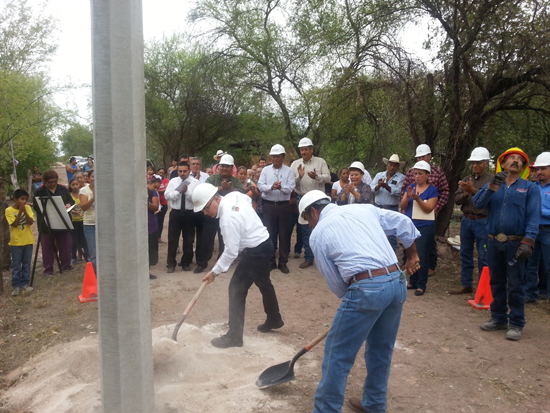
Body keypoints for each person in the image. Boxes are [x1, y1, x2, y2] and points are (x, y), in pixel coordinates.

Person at [298, 190, 420, 413]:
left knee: (337, 354)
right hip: (397, 283)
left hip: (367, 288)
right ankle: (374, 405)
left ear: (313, 212)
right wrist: (412, 255)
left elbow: (336, 284)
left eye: (307, 220)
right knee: (381, 350)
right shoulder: (362, 208)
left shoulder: (318, 234)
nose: (309, 225)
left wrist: (357, 302)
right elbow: (403, 221)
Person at [193, 183, 284, 348]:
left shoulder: (228, 219)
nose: (206, 214)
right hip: (265, 242)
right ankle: (274, 318)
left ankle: (234, 337)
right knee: (264, 283)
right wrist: (248, 223)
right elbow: (247, 201)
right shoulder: (232, 196)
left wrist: (214, 272)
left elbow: (231, 252)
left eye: (205, 209)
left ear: (214, 199)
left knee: (236, 289)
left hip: (256, 250)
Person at [473, 147, 539, 341]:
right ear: (502, 163)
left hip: (515, 243)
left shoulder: (530, 188)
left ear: (524, 166)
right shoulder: (495, 184)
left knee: (517, 284)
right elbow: (477, 203)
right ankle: (498, 318)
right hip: (493, 241)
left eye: (520, 159)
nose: (516, 161)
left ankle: (517, 323)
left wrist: (529, 241)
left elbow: (534, 217)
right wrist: (493, 185)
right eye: (512, 158)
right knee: (496, 281)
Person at [450, 147, 494, 294]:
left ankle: (484, 288)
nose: (475, 165)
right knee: (465, 253)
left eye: (479, 162)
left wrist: (473, 190)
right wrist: (465, 193)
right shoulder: (467, 178)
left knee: (484, 256)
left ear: (486, 163)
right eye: (473, 162)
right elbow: (456, 200)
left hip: (483, 221)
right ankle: (466, 284)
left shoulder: (492, 180)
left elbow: (492, 199)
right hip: (467, 220)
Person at [401, 144, 449, 276]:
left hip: (429, 212)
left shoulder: (438, 172)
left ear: (430, 156)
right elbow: (405, 189)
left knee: (428, 242)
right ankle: (409, 267)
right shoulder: (411, 172)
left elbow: (445, 191)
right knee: (410, 242)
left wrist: (436, 207)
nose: (421, 159)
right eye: (419, 157)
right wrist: (405, 206)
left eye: (423, 156)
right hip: (412, 214)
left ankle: (429, 268)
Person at [290, 137, 331, 269]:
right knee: (304, 228)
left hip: (318, 200)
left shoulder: (320, 162)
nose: (303, 152)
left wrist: (316, 177)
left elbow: (328, 178)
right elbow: (291, 183)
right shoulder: (295, 164)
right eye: (301, 149)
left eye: (306, 149)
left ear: (311, 149)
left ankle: (321, 256)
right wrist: (300, 177)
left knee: (320, 227)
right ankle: (308, 257)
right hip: (301, 198)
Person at [400, 161, 438, 296]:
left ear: (427, 175)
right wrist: (407, 196)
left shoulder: (432, 190)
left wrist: (417, 199)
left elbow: (429, 209)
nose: (417, 176)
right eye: (415, 174)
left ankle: (422, 284)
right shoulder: (410, 187)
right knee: (409, 253)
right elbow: (403, 206)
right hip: (410, 225)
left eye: (420, 174)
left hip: (425, 226)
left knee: (422, 254)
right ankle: (413, 280)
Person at [257, 144, 296, 274]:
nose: (276, 159)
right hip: (268, 205)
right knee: (270, 234)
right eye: (274, 156)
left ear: (283, 157)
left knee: (284, 234)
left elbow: (290, 188)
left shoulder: (289, 171)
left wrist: (280, 188)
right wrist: (271, 187)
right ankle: (270, 261)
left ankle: (283, 262)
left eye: (278, 156)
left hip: (283, 206)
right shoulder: (266, 170)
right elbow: (260, 186)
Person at [34, 170, 75, 275]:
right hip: (46, 223)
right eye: (49, 182)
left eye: (54, 181)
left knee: (65, 244)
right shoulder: (39, 191)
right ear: (45, 182)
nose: (52, 184)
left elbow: (71, 201)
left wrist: (68, 205)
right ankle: (48, 268)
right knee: (47, 246)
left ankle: (66, 265)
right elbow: (36, 207)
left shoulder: (62, 189)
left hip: (62, 220)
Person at [205, 154, 245, 260]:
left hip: (229, 214)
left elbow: (242, 193)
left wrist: (230, 188)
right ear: (218, 167)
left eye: (227, 166)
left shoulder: (235, 181)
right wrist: (221, 188)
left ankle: (222, 260)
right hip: (212, 213)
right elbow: (206, 190)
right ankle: (202, 262)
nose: (224, 168)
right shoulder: (212, 178)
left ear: (232, 168)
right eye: (222, 166)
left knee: (225, 238)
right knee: (208, 238)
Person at [525, 152, 550, 303]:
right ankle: (529, 294)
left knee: (549, 266)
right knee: (530, 264)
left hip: (548, 231)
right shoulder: (532, 187)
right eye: (537, 168)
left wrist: (540, 211)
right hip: (533, 231)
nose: (539, 171)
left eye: (543, 168)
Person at [164, 161, 198, 273]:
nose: (182, 173)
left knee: (188, 239)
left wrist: (187, 192)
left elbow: (196, 199)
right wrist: (178, 192)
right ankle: (171, 263)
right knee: (172, 239)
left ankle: (186, 262)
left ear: (189, 171)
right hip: (176, 213)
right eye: (180, 171)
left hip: (189, 213)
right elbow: (167, 196)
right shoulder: (173, 182)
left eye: (184, 171)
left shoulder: (194, 182)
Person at [371, 154, 406, 251]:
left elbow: (399, 191)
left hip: (392, 208)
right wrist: (378, 186)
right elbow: (371, 188)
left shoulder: (401, 177)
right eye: (390, 165)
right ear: (387, 165)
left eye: (395, 165)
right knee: (377, 231)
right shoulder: (379, 175)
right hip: (378, 207)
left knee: (391, 234)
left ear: (398, 167)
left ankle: (392, 258)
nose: (392, 167)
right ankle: (378, 254)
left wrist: (387, 187)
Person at [6, 189, 35, 296]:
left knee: (27, 264)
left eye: (25, 200)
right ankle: (16, 286)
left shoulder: (27, 208)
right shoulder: (9, 210)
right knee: (17, 265)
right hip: (16, 242)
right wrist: (20, 212)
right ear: (15, 199)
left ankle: (25, 284)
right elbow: (14, 224)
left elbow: (31, 222)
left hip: (28, 240)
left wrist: (25, 211)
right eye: (22, 199)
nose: (24, 202)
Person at [80, 170, 96, 274]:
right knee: (94, 253)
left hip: (104, 225)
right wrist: (94, 197)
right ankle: (96, 276)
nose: (95, 179)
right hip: (90, 225)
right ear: (89, 178)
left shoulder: (106, 190)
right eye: (93, 176)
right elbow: (84, 207)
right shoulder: (84, 190)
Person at [69, 178, 88, 265]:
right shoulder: (69, 196)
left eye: (76, 184)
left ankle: (86, 255)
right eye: (73, 185)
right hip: (73, 220)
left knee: (84, 238)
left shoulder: (82, 195)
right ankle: (73, 256)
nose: (75, 186)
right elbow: (67, 208)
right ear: (70, 186)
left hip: (83, 220)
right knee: (74, 239)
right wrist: (75, 212)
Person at [147, 177, 161, 280]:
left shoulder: (152, 193)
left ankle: (146, 271)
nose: (156, 189)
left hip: (150, 224)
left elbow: (155, 207)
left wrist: (145, 202)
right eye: (154, 187)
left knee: (150, 248)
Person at [156, 168, 170, 243]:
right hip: (155, 204)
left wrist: (156, 190)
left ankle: (159, 237)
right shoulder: (154, 180)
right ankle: (153, 236)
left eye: (162, 173)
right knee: (154, 220)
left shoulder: (166, 181)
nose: (161, 174)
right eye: (160, 172)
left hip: (163, 204)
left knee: (160, 221)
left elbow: (166, 190)